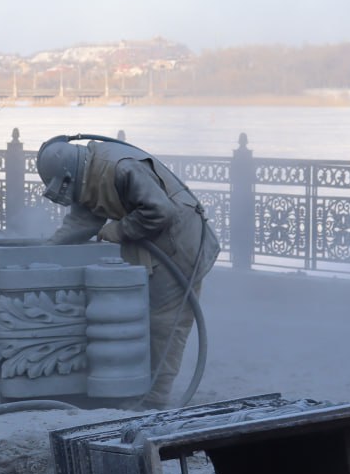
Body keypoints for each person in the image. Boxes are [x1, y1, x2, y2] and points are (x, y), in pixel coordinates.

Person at [37, 135, 220, 409]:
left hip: (182, 246)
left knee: (164, 323)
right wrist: (45, 250)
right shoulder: (84, 175)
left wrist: (117, 230)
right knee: (139, 315)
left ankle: (155, 398)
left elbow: (160, 211)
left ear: (69, 174)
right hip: (155, 245)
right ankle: (135, 386)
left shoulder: (121, 168)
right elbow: (83, 219)